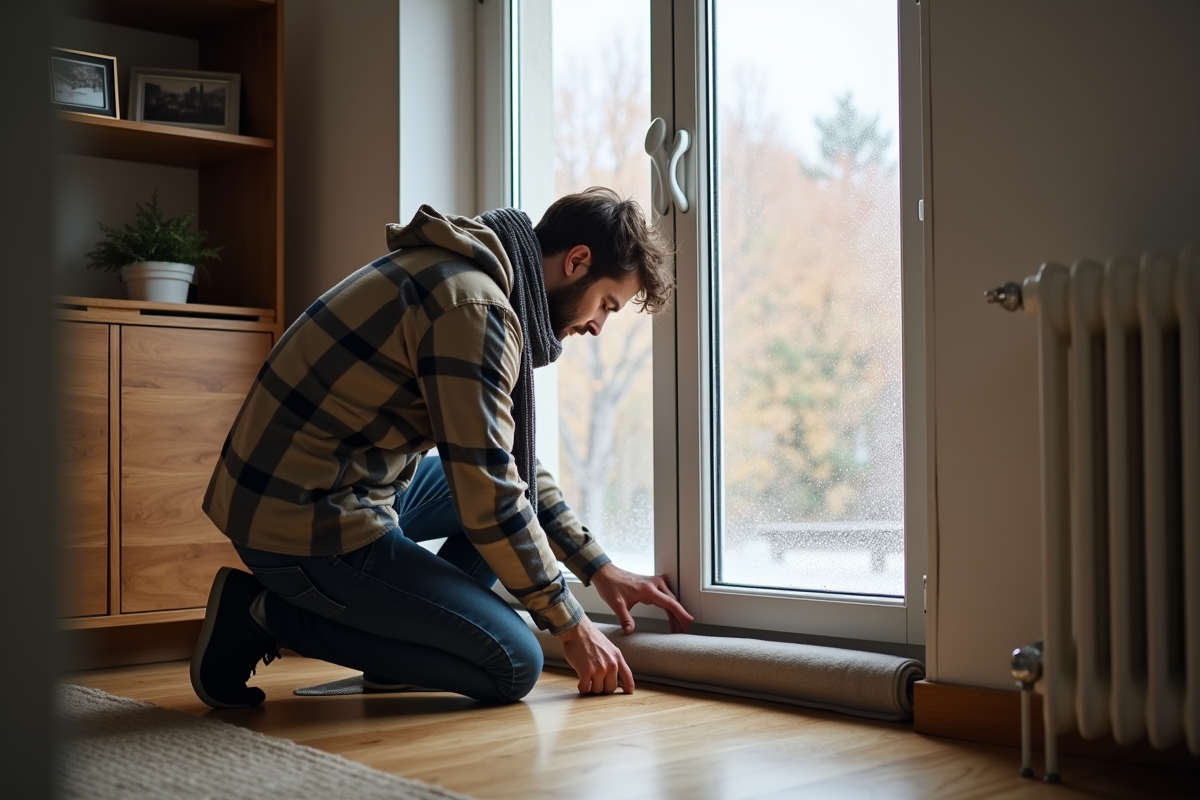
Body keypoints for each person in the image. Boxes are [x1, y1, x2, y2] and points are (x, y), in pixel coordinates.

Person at [191, 187, 694, 709]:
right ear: (578, 261)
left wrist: (598, 567)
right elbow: (494, 500)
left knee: (495, 495)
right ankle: (259, 615)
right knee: (514, 663)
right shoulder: (477, 309)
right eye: (607, 304)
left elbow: (505, 467)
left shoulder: (462, 271)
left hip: (324, 483)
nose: (596, 325)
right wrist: (572, 623)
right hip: (300, 516)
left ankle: (400, 657)